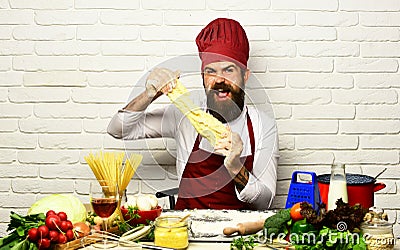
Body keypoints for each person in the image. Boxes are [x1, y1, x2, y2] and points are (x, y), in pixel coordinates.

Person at [107, 18, 279, 210]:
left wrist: (236, 167)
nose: (219, 80)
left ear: (245, 75)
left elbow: (266, 201)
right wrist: (150, 94)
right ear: (202, 76)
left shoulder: (263, 125)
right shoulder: (183, 115)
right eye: (210, 71)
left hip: (238, 233)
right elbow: (118, 130)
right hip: (186, 231)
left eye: (228, 70)